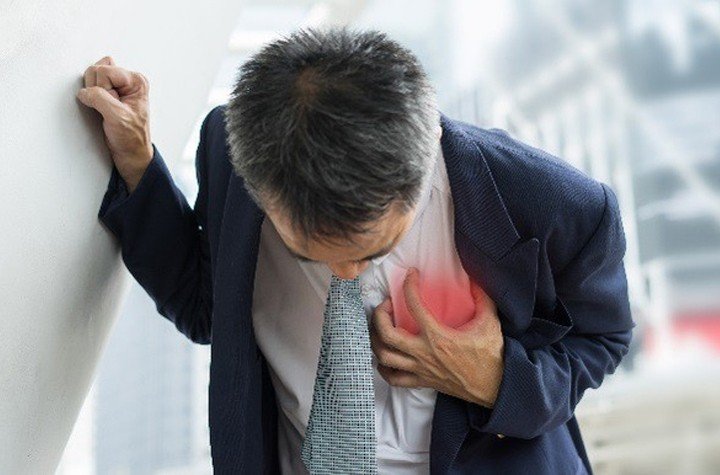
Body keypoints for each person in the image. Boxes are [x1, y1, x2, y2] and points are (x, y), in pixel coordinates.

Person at [77, 28, 634, 474]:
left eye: (375, 249)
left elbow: (603, 339)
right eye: (308, 254)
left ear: (431, 142)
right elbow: (207, 308)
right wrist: (138, 164)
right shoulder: (233, 152)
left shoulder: (556, 204)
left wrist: (497, 379)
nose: (344, 273)